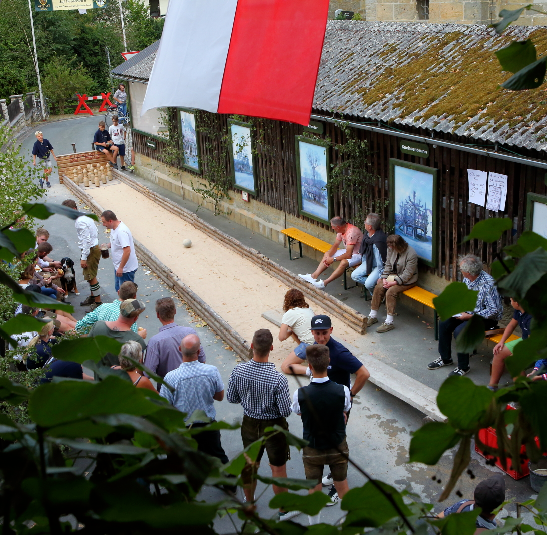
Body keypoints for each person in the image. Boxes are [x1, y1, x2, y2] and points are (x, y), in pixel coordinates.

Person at [227, 329, 297, 521]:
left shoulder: (238, 371)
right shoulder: (278, 379)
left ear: (252, 346)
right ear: (271, 348)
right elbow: (285, 411)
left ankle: (249, 504)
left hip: (249, 424)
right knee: (278, 469)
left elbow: (231, 398)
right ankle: (283, 509)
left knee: (250, 466)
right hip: (274, 427)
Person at [291, 345, 351, 525]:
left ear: (309, 365)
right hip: (337, 446)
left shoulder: (299, 393)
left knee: (313, 490)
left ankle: (315, 527)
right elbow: (345, 410)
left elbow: (298, 411)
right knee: (343, 488)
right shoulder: (343, 390)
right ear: (329, 362)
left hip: (312, 448)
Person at [428, 254, 503, 377]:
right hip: (468, 311)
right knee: (444, 322)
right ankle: (445, 358)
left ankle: (463, 367)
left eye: (461, 269)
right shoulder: (468, 278)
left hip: (486, 318)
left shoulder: (489, 285)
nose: (460, 270)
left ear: (469, 272)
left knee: (460, 331)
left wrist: (469, 317)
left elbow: (494, 311)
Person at [161, 334, 229, 464]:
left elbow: (164, 406)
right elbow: (220, 397)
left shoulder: (170, 377)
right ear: (198, 351)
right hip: (207, 428)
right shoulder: (211, 371)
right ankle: (230, 484)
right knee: (220, 460)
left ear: (179, 349)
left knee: (180, 464)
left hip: (183, 430)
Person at [144, 297, 205, 379]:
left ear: (158, 315)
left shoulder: (155, 342)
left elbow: (148, 373)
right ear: (175, 311)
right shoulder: (190, 333)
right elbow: (202, 359)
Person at [368, 234, 418, 333]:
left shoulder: (411, 254)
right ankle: (373, 315)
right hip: (393, 275)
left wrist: (393, 283)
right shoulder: (391, 249)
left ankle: (389, 322)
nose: (390, 248)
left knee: (391, 292)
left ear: (398, 245)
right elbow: (388, 264)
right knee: (379, 286)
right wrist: (384, 278)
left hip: (408, 280)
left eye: (392, 246)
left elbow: (408, 274)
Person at [298, 216, 363, 290]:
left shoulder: (351, 232)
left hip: (360, 254)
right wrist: (328, 256)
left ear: (338, 227)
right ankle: (313, 276)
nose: (332, 228)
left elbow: (348, 254)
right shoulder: (341, 230)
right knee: (327, 253)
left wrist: (333, 259)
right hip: (350, 251)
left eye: (332, 227)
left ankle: (324, 283)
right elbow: (335, 245)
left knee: (343, 262)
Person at [61, 199, 103, 310]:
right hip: (93, 248)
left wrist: (83, 257)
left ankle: (98, 303)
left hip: (90, 250)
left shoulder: (80, 222)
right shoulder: (84, 216)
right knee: (90, 276)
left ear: (74, 209)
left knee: (91, 277)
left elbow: (86, 241)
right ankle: (93, 297)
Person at [88, 298, 147, 368]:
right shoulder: (137, 341)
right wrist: (138, 338)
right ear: (136, 318)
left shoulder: (98, 325)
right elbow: (138, 370)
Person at [488, 298, 532, 390]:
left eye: (511, 300)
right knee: (499, 351)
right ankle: (492, 387)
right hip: (525, 340)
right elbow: (511, 325)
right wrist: (501, 342)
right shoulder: (519, 310)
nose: (510, 302)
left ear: (517, 303)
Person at [437, 474, 505, 532]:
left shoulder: (463, 504)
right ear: (501, 507)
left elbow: (439, 518)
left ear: (474, 497)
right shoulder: (490, 532)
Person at [75, 281, 145, 337]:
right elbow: (131, 344)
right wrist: (139, 336)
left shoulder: (103, 307)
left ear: (118, 292)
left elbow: (80, 325)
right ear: (134, 297)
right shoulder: (130, 318)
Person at [279, 289, 315, 374]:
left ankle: (312, 372)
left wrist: (290, 331)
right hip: (320, 340)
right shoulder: (308, 308)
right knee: (294, 328)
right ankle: (310, 357)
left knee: (285, 366)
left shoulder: (289, 314)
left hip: (309, 344)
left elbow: (281, 337)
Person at [100, 210, 139, 290]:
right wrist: (107, 245)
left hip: (126, 269)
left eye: (104, 222)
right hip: (119, 266)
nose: (103, 224)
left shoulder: (121, 232)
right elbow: (117, 243)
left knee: (126, 293)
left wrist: (121, 268)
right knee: (119, 289)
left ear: (110, 221)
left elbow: (127, 251)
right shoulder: (114, 228)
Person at [351, 213, 388, 296]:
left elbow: (381, 262)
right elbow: (364, 252)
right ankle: (376, 288)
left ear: (370, 226)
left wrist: (380, 277)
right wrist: (363, 264)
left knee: (368, 284)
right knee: (354, 275)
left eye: (365, 222)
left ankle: (376, 295)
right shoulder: (367, 235)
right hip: (369, 261)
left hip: (379, 266)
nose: (364, 223)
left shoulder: (378, 241)